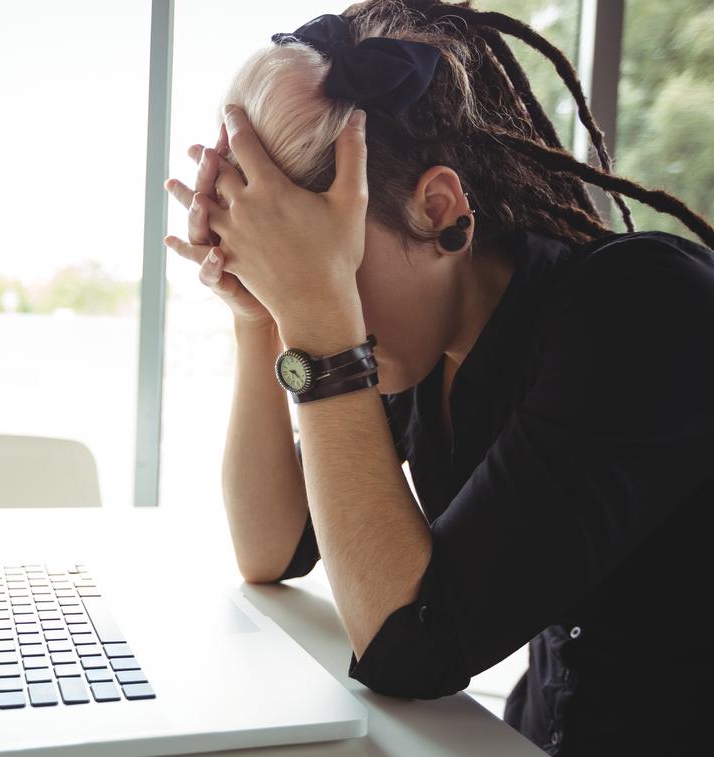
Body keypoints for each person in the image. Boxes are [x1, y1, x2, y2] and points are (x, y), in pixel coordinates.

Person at [162, 1, 714, 755]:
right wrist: (258, 313)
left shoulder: (643, 308)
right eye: (292, 282)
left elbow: (411, 646)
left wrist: (323, 321)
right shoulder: (424, 340)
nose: (313, 304)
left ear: (439, 210)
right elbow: (272, 545)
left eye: (329, 271)